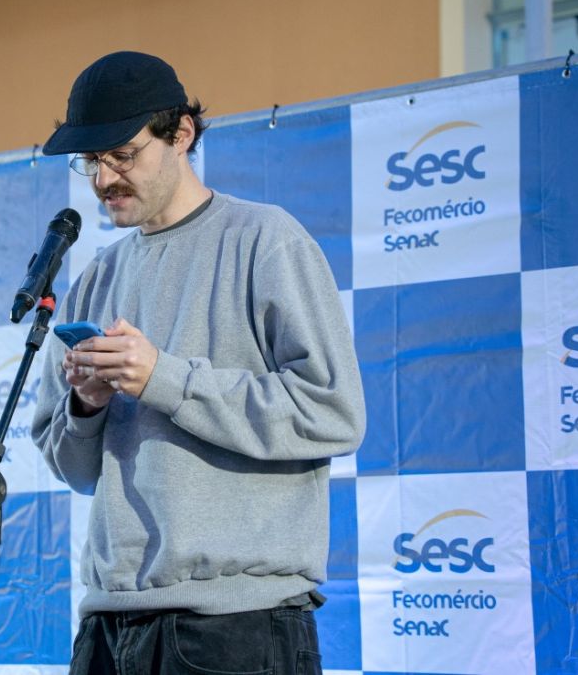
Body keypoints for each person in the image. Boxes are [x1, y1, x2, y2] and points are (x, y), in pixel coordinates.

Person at [31, 50, 365, 675]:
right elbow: (73, 470)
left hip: (236, 625)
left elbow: (334, 412)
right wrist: (87, 405)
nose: (103, 179)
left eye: (122, 155)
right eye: (91, 161)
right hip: (107, 623)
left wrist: (164, 378)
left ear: (181, 133)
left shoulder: (266, 239)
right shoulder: (95, 277)